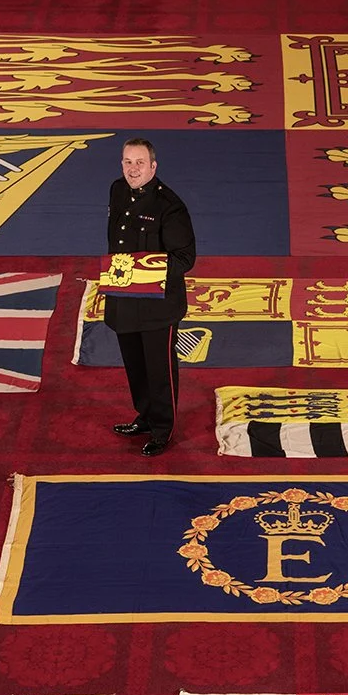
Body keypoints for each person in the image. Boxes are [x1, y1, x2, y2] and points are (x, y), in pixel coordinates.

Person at [104, 138, 197, 456]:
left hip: (159, 303)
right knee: (135, 365)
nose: (133, 169)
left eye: (140, 162)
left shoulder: (169, 206)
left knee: (159, 369)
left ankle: (162, 428)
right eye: (128, 162)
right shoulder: (117, 190)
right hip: (126, 297)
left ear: (153, 166)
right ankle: (145, 416)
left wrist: (144, 268)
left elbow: (185, 258)